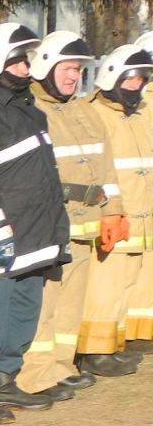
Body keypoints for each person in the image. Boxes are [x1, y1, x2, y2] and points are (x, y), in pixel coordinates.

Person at [0, 23, 70, 419]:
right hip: (5, 236)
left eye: (27, 59)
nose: (27, 67)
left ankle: (7, 378)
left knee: (24, 312)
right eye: (19, 60)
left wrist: (58, 233)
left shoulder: (30, 111)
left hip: (37, 233)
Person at [18, 32, 116, 394]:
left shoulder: (85, 111)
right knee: (46, 305)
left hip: (86, 225)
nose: (73, 76)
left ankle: (61, 366)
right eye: (67, 68)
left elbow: (108, 170)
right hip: (52, 224)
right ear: (46, 67)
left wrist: (113, 212)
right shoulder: (31, 109)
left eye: (77, 70)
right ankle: (35, 375)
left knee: (70, 307)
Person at [81, 44, 153, 363]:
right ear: (112, 77)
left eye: (141, 80)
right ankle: (95, 350)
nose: (136, 87)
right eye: (130, 80)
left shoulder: (136, 115)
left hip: (140, 215)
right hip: (111, 214)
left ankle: (114, 343)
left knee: (126, 284)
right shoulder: (93, 113)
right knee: (104, 287)